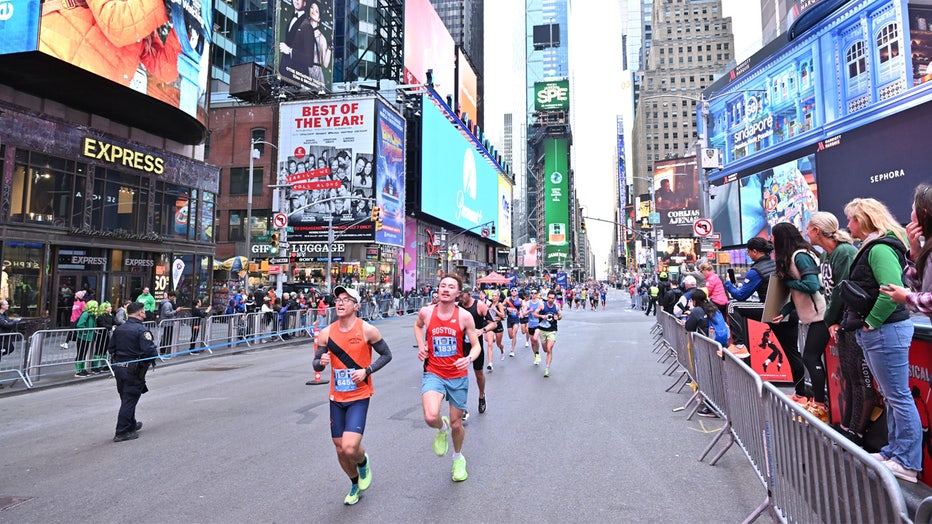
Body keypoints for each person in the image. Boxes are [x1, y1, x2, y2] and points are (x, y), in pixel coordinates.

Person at [843, 196, 920, 482]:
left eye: (851, 218)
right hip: (883, 330)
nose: (848, 224)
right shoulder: (877, 246)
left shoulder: (879, 248)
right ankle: (895, 452)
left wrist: (872, 323)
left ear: (863, 220)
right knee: (892, 397)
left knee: (897, 397)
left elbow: (892, 291)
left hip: (886, 330)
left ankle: (907, 461)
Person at [312, 285, 392, 505]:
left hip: (359, 395)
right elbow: (316, 365)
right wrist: (321, 362)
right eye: (338, 299)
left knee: (349, 446)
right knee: (340, 448)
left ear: (356, 306)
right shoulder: (327, 333)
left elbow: (386, 355)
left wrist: (366, 371)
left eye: (346, 299)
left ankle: (363, 461)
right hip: (336, 398)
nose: (340, 302)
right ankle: (354, 482)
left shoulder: (367, 330)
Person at [807, 211, 876, 444]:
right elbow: (830, 292)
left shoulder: (844, 252)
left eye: (808, 228)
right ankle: (847, 426)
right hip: (841, 323)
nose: (806, 232)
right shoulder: (827, 256)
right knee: (849, 378)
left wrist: (832, 319)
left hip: (852, 322)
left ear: (817, 230)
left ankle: (855, 432)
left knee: (859, 380)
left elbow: (842, 290)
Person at [413, 274, 482, 482]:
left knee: (456, 424)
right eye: (443, 285)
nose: (445, 289)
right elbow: (417, 326)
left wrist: (469, 358)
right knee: (430, 416)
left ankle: (458, 458)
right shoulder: (426, 312)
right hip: (434, 372)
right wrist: (422, 345)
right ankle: (440, 429)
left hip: (457, 375)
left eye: (451, 287)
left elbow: (476, 345)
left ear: (457, 293)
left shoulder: (464, 317)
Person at [771, 223, 830, 422]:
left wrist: (787, 282)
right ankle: (817, 401)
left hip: (820, 316)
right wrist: (786, 310)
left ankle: (819, 405)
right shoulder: (799, 255)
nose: (771, 240)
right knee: (812, 358)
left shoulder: (800, 256)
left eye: (773, 236)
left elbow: (812, 285)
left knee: (810, 358)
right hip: (814, 315)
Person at [107, 302, 158, 442]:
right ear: (140, 313)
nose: (145, 313)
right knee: (129, 399)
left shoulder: (120, 329)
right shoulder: (141, 330)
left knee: (126, 398)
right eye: (144, 311)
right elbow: (149, 350)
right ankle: (121, 431)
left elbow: (111, 348)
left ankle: (131, 424)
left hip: (119, 367)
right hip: (134, 369)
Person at [683, 288, 725, 417]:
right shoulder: (713, 307)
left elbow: (689, 327)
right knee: (716, 376)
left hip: (706, 348)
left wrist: (689, 315)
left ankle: (712, 407)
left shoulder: (696, 311)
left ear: (694, 300)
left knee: (708, 377)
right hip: (719, 346)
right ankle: (717, 405)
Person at [457, 285, 493, 418]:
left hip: (476, 346)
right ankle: (463, 406)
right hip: (461, 345)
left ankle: (482, 395)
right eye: (459, 296)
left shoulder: (480, 306)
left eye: (462, 296)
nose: (460, 298)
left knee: (479, 375)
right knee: (461, 375)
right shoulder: (457, 307)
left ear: (469, 294)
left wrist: (482, 330)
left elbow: (493, 323)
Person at [534, 290, 562, 378]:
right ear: (547, 297)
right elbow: (535, 314)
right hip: (542, 330)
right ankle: (542, 356)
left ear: (554, 299)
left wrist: (558, 317)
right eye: (549, 298)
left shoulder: (556, 306)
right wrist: (542, 316)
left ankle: (547, 369)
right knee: (545, 350)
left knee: (549, 349)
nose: (550, 299)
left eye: (552, 298)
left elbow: (560, 315)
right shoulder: (542, 305)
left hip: (552, 330)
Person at [74, 300, 98, 377]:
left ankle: (82, 369)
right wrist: (85, 331)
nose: (97, 307)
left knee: (84, 353)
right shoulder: (86, 314)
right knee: (80, 353)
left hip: (87, 337)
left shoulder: (92, 315)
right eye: (96, 306)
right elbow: (80, 324)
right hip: (82, 337)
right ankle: (78, 371)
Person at [0, 299, 21, 380]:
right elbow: (6, 325)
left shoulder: (4, 315)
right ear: (2, 306)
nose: (8, 305)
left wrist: (11, 322)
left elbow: (7, 323)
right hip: (1, 338)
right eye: (6, 304)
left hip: (4, 339)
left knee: (10, 348)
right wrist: (15, 322)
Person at [484, 291, 506, 368]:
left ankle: (502, 349)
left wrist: (495, 310)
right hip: (490, 325)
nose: (493, 297)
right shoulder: (489, 304)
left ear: (498, 297)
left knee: (498, 344)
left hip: (498, 325)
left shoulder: (499, 304)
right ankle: (490, 364)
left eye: (495, 296)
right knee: (489, 344)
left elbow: (503, 316)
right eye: (492, 296)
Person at [93, 301, 114, 374]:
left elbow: (115, 322)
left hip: (106, 335)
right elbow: (102, 324)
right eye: (109, 307)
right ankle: (95, 367)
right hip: (100, 335)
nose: (110, 308)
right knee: (98, 350)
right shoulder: (100, 317)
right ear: (105, 308)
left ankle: (103, 365)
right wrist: (111, 327)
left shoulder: (110, 316)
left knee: (104, 350)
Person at [524, 290, 544, 365]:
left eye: (535, 293)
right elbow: (523, 314)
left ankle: (537, 353)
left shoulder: (540, 302)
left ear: (537, 294)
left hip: (538, 324)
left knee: (535, 339)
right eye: (532, 293)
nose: (533, 294)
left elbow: (544, 310)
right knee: (532, 342)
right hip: (530, 324)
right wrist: (529, 311)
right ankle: (536, 355)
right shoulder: (528, 303)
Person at [503, 288, 523, 357]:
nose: (514, 292)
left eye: (515, 290)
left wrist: (523, 313)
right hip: (509, 319)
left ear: (517, 292)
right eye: (512, 290)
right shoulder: (507, 299)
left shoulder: (520, 300)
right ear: (510, 292)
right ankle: (512, 346)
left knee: (514, 334)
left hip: (516, 319)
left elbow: (523, 307)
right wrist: (506, 308)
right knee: (510, 336)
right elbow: (501, 306)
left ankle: (512, 350)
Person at [158, 291, 179, 355]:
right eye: (173, 297)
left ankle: (165, 350)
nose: (173, 298)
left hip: (169, 322)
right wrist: (176, 311)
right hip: (167, 322)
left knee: (167, 336)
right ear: (169, 296)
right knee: (166, 336)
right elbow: (167, 313)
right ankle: (163, 350)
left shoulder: (170, 303)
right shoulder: (167, 304)